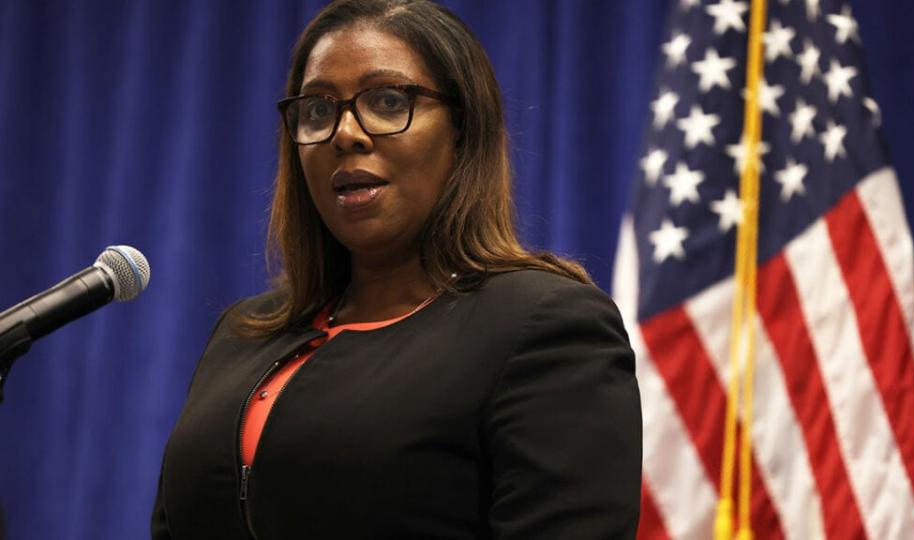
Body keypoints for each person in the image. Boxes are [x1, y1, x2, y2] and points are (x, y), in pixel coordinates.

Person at [151, 0, 641, 538]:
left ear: (462, 130)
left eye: (387, 101)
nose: (345, 133)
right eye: (317, 110)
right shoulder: (243, 332)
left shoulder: (541, 325)